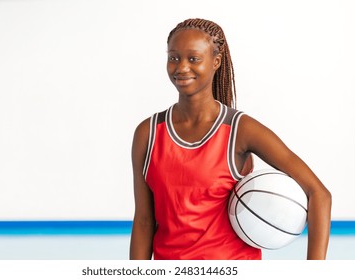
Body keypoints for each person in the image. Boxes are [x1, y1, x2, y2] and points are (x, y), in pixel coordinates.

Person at [129, 18, 331, 260]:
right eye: (174, 57)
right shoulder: (148, 133)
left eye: (193, 59)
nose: (181, 67)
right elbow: (143, 220)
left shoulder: (241, 130)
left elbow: (319, 193)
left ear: (216, 62)